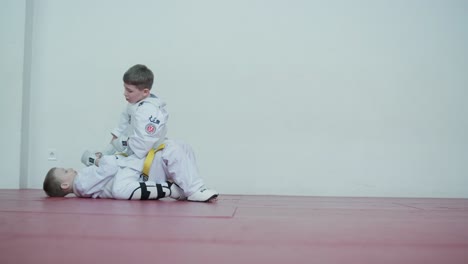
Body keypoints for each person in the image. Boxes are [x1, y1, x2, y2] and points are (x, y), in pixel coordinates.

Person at [45, 139, 219, 202]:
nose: (70, 168)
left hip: (133, 171)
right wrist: (100, 160)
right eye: (65, 171)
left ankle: (190, 187)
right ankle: (192, 189)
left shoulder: (85, 180)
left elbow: (106, 171)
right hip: (133, 174)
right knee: (173, 150)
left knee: (181, 147)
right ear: (65, 184)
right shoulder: (81, 183)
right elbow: (110, 167)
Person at [105, 64, 168, 159]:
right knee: (100, 165)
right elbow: (120, 130)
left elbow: (144, 144)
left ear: (145, 92)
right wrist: (104, 154)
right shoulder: (131, 106)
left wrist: (126, 141)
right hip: (132, 154)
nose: (124, 93)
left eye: (129, 91)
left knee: (107, 168)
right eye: (125, 88)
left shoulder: (151, 111)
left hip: (148, 158)